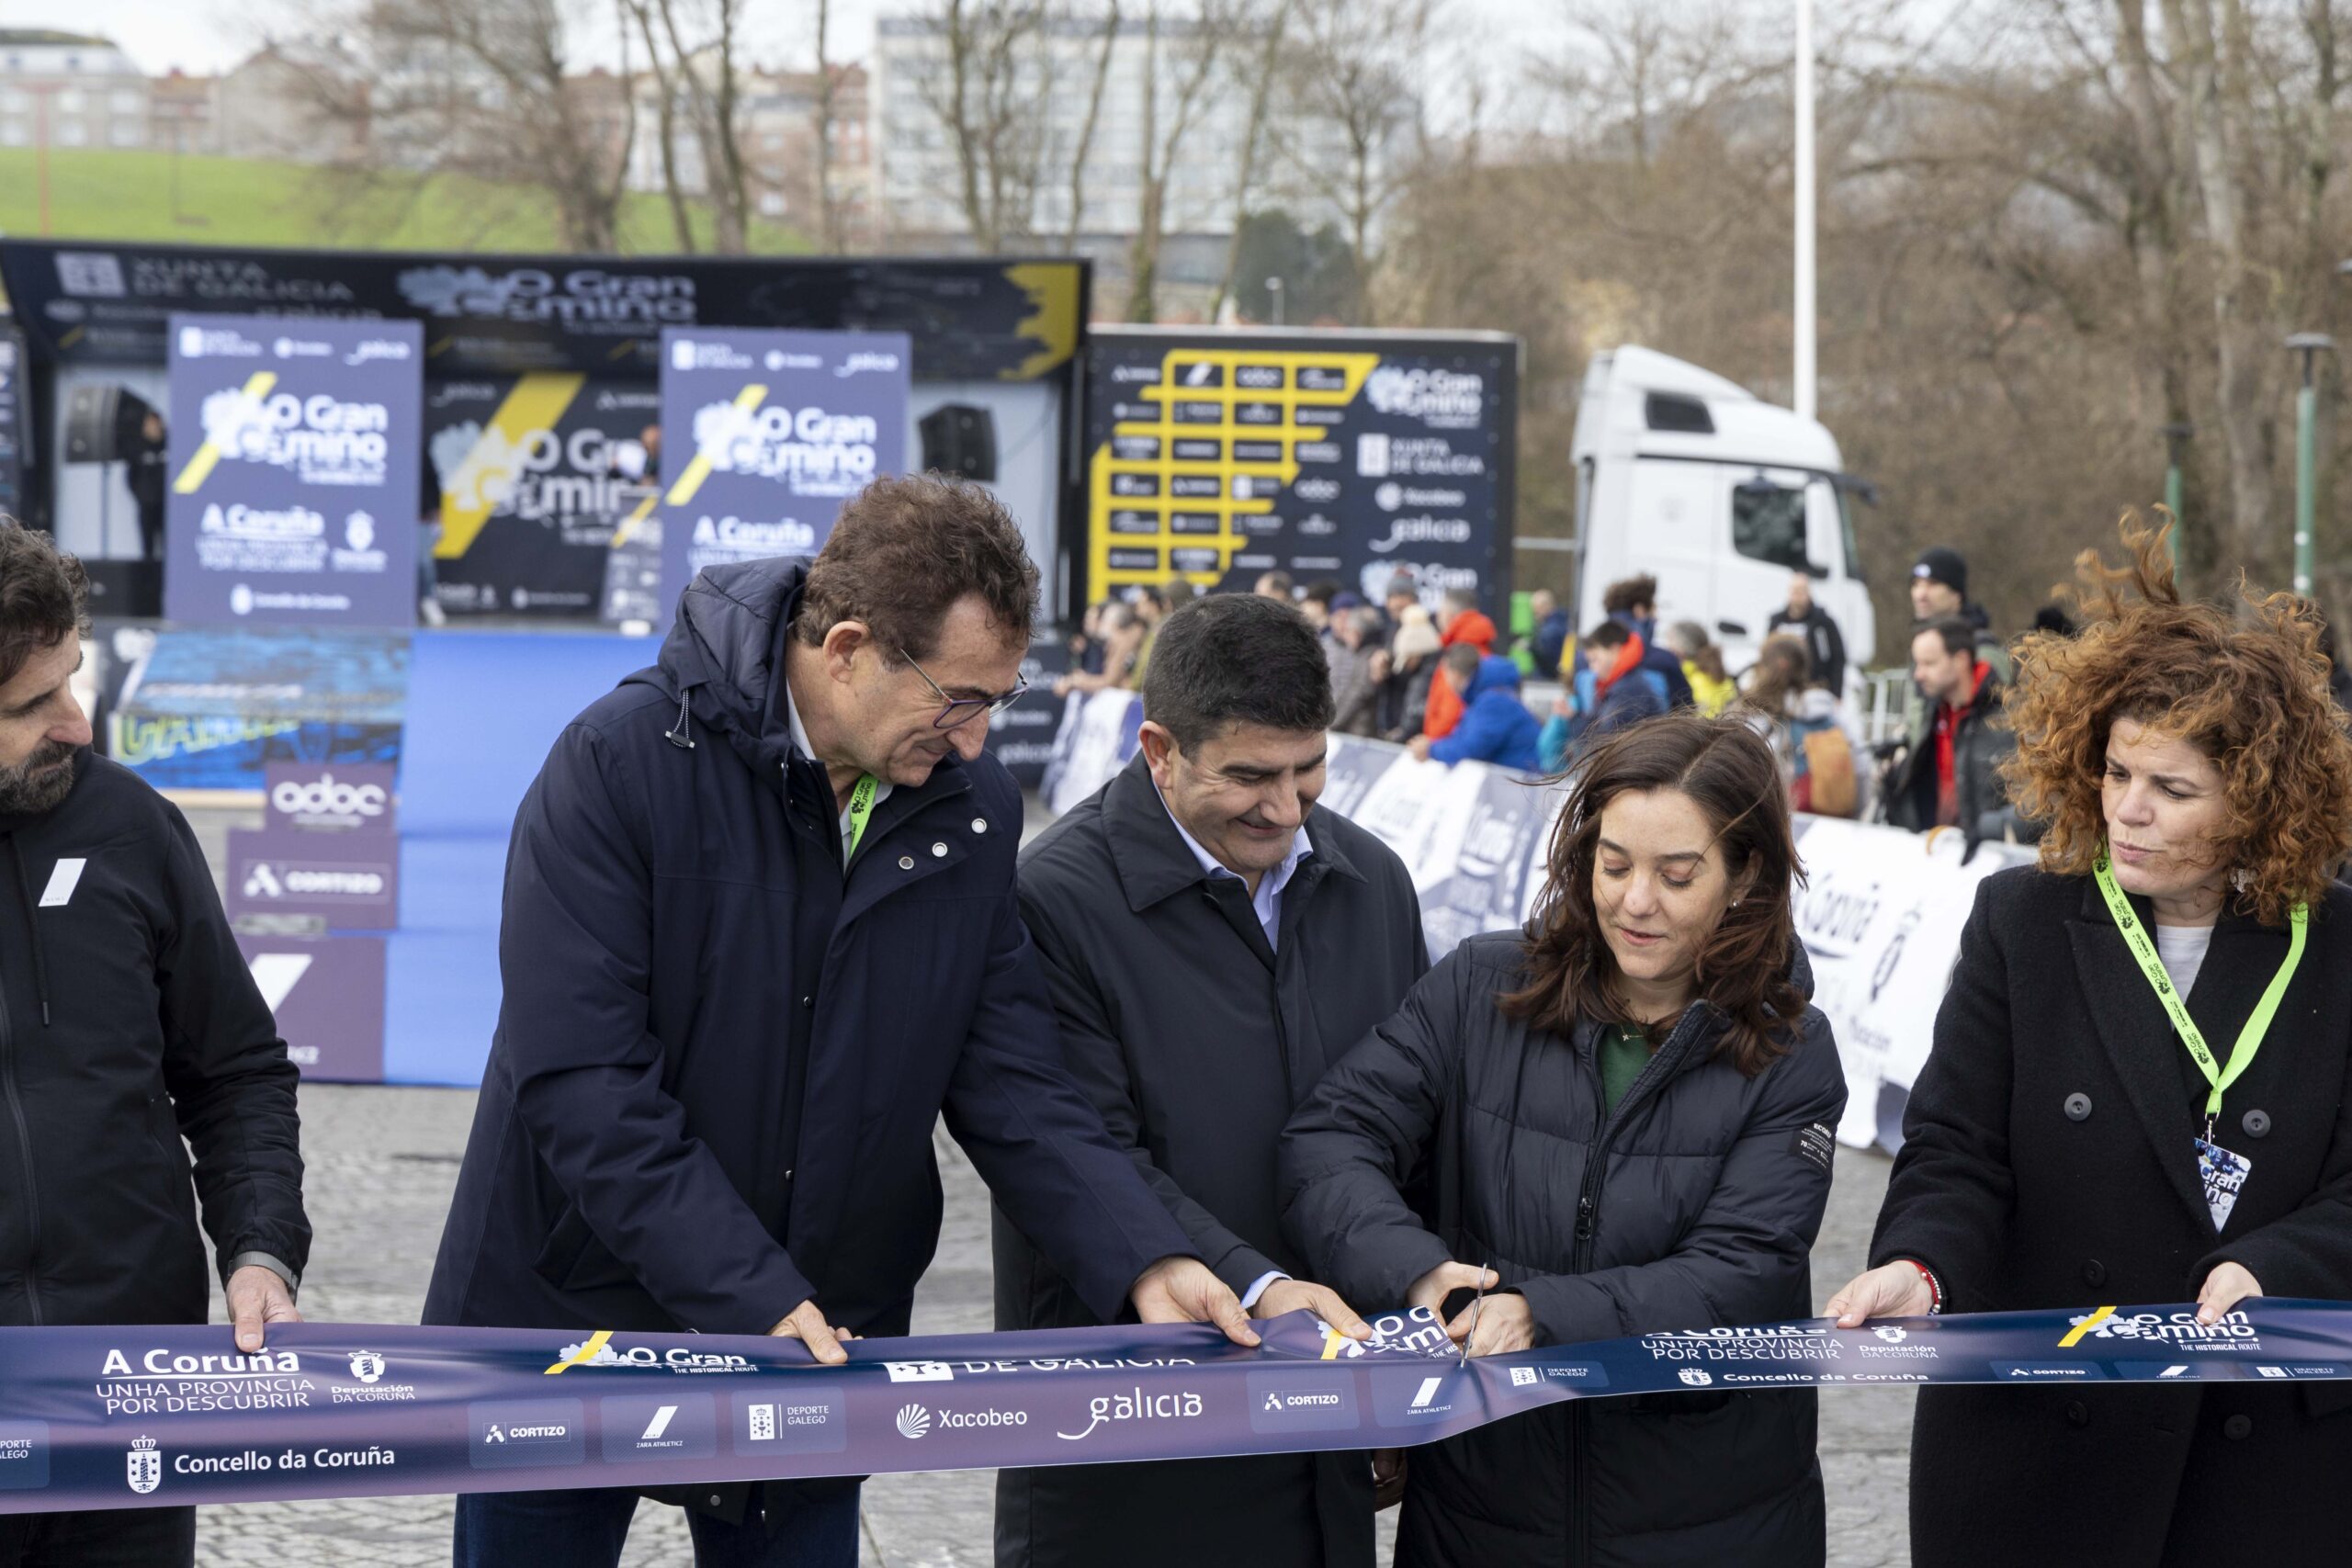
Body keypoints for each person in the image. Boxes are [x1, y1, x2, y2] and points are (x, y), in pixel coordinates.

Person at [424, 475, 1250, 1568]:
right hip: (572, 1313)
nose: (975, 742)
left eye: (997, 702)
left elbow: (1015, 1084)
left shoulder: (969, 809)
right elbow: (584, 1082)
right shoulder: (619, 761)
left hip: (817, 1330)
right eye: (957, 700)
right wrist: (752, 1295)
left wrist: (1146, 1257)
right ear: (848, 648)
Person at [1826, 519, 2352, 1567]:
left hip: (2259, 1464)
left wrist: (2278, 1265)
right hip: (2040, 1450)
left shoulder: (2337, 944)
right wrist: (1922, 1263)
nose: (2128, 812)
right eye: (2116, 773)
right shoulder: (2020, 920)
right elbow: (1956, 1146)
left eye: (2172, 790)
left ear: (2257, 800)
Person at [1282, 713, 1847, 1566]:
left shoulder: (1791, 1052)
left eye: (1677, 874)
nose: (1635, 901)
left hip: (1709, 1520)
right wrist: (1419, 1271)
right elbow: (1330, 1139)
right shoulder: (1478, 984)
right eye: (1613, 865)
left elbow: (1740, 1271)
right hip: (1481, 1513)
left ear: (1745, 877)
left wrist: (1538, 1314)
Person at [997, 592, 1426, 1568]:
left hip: (1328, 1426)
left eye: (1308, 768)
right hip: (1131, 1443)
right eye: (1248, 776)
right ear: (1159, 750)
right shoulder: (1050, 900)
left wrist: (1409, 1347)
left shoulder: (1374, 884)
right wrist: (1257, 1286)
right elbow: (1080, 1151)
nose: (1285, 807)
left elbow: (1415, 1134)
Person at [0, 526, 309, 1568]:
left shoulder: (133, 827)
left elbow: (236, 1073)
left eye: (72, 679)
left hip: (130, 1389)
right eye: (32, 705)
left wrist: (260, 1247)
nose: (77, 723)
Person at [1883, 615, 2026, 841]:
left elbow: (2038, 805)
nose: (1918, 674)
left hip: (1988, 855)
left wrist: (1988, 831)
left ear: (1960, 660)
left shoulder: (2010, 718)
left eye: (1929, 663)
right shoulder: (1931, 716)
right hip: (1938, 849)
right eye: (1917, 664)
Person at [1741, 635, 1864, 818]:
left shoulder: (1757, 715)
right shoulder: (1829, 708)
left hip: (1779, 819)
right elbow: (1860, 764)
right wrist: (1855, 812)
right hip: (1832, 814)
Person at [1409, 643, 1541, 772]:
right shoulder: (1481, 697)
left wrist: (1432, 749)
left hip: (1524, 778)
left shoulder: (1494, 700)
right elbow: (1462, 738)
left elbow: (1472, 748)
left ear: (1455, 674)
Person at [1907, 545, 2009, 682]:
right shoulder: (1922, 646)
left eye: (1932, 584)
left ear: (1956, 594)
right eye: (1916, 584)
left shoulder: (1981, 651)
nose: (1921, 594)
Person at [1601, 573, 1696, 710]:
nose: (1657, 618)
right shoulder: (1664, 661)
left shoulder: (1586, 657)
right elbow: (1686, 710)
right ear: (1639, 610)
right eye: (1654, 611)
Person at [1766, 571, 1848, 694]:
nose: (1798, 595)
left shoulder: (1823, 622)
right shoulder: (1777, 621)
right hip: (1782, 688)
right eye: (1795, 590)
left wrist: (1837, 693)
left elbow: (1838, 657)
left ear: (1809, 592)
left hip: (1814, 687)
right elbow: (1767, 653)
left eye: (1802, 590)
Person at [1380, 609, 1443, 744]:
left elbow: (1416, 713)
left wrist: (1401, 735)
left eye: (1407, 660)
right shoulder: (1424, 672)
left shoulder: (1425, 677)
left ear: (1416, 655)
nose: (1406, 667)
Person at [1327, 604, 1385, 737]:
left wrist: (1334, 722)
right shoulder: (1361, 655)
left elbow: (1357, 694)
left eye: (1348, 631)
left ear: (1358, 634)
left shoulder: (1369, 657)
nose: (1345, 636)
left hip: (1361, 732)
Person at [1661, 619, 1736, 716]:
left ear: (1679, 650)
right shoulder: (1715, 670)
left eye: (1670, 641)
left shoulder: (1692, 680)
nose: (1666, 648)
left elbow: (1707, 720)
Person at [129, 409, 168, 562]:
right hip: (146, 504)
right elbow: (131, 477)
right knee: (147, 546)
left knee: (168, 543)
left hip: (166, 505)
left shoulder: (170, 445)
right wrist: (141, 495)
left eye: (154, 424)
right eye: (148, 425)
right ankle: (147, 575)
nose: (152, 428)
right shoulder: (138, 447)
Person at [1526, 587, 1570, 679]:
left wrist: (1531, 648)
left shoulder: (1550, 631)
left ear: (1545, 606)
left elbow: (1549, 660)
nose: (1535, 614)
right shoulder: (1563, 623)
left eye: (1536, 610)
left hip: (1547, 680)